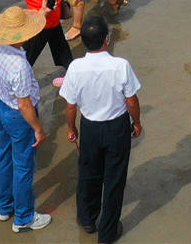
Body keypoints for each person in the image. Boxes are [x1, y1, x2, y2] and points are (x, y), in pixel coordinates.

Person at [60, 13, 142, 244]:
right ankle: (107, 234)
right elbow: (132, 101)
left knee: (89, 173)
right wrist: (136, 122)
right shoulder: (120, 66)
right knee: (114, 179)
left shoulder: (76, 67)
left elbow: (70, 104)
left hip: (89, 128)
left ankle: (87, 219)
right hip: (117, 127)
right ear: (106, 40)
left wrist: (71, 128)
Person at [0, 5, 50, 232]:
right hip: (19, 116)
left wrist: (42, 12)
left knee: (5, 156)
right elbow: (24, 104)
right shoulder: (20, 65)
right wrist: (38, 128)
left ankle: (5, 206)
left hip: (2, 107)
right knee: (23, 166)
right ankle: (23, 218)